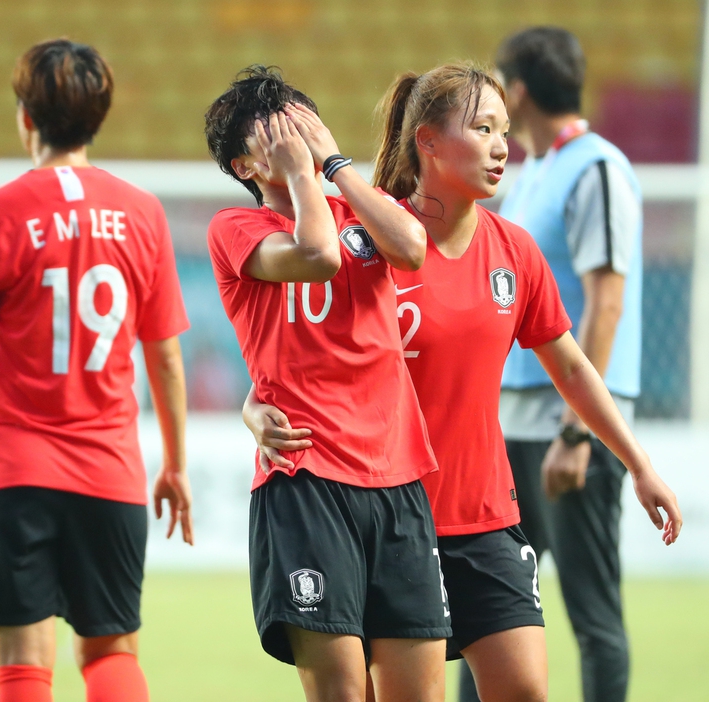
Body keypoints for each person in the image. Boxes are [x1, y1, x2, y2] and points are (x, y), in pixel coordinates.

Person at [244, 64, 682, 702]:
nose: (504, 146)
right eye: (483, 129)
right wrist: (254, 407)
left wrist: (638, 463)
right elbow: (297, 349)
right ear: (426, 141)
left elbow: (572, 367)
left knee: (526, 688)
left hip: (481, 514)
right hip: (384, 517)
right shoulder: (369, 241)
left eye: (505, 130)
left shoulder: (515, 251)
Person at [0, 39, 193, 702]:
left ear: (25, 116)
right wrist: (175, 464)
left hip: (12, 468)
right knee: (110, 649)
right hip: (109, 470)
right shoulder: (142, 213)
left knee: (22, 657)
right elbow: (162, 351)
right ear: (99, 116)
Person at [205, 66, 451, 702]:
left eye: (299, 122)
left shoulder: (362, 206)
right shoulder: (236, 228)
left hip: (396, 476)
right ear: (241, 163)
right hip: (306, 481)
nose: (292, 137)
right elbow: (319, 255)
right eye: (273, 131)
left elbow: (413, 247)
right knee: (342, 693)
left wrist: (334, 165)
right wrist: (302, 178)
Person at [492, 27, 647, 702]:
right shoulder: (531, 175)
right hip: (512, 426)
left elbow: (604, 301)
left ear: (517, 90)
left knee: (591, 616)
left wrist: (575, 431)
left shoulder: (597, 168)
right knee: (491, 611)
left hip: (569, 430)